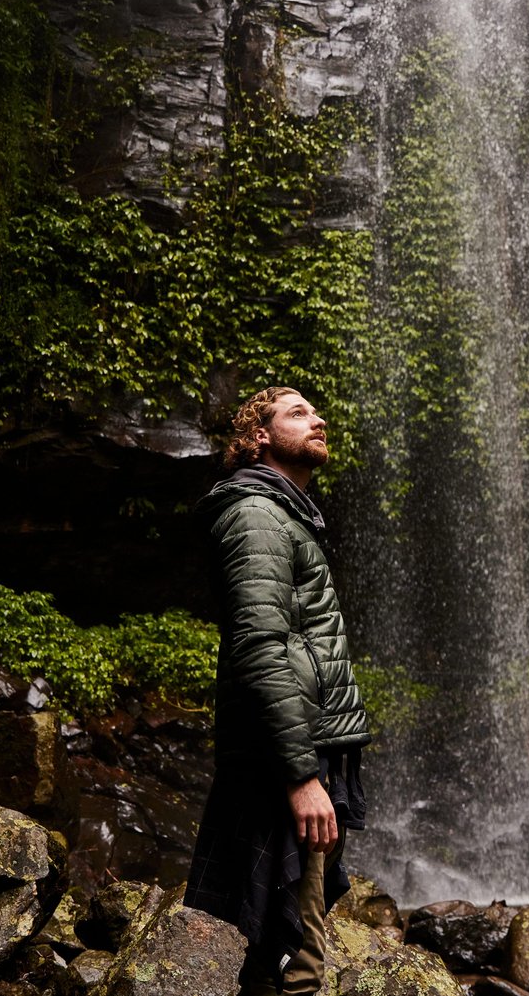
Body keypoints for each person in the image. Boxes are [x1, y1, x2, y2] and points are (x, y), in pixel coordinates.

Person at [183, 386, 372, 995]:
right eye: (297, 412)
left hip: (296, 746)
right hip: (285, 759)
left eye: (317, 411)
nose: (317, 418)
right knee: (297, 954)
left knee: (271, 941)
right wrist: (300, 777)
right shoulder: (257, 516)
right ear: (258, 437)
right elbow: (261, 649)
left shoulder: (283, 514)